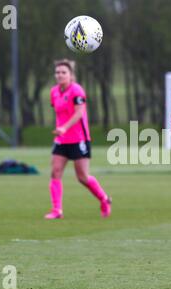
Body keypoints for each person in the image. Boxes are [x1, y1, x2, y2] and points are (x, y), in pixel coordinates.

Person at [45, 59, 112, 220]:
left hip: (79, 139)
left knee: (82, 177)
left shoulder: (77, 91)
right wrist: (60, 129)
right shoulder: (54, 92)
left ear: (71, 75)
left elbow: (79, 113)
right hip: (61, 140)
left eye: (63, 72)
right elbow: (59, 113)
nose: (60, 75)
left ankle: (104, 199)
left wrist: (64, 127)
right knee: (55, 172)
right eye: (57, 72)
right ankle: (57, 210)